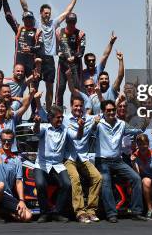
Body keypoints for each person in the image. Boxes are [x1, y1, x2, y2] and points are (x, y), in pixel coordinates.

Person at [16, 0, 79, 110]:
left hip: (49, 59)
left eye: (49, 13)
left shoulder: (54, 23)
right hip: (37, 58)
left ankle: (49, 112)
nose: (48, 15)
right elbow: (25, 8)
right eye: (45, 13)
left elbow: (67, 12)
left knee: (50, 87)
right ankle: (35, 113)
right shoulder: (36, 23)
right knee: (34, 87)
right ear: (40, 13)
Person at [94, 99, 147, 222]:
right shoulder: (98, 123)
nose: (111, 112)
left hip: (118, 161)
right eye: (108, 110)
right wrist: (93, 124)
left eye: (113, 110)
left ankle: (136, 212)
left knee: (136, 178)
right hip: (102, 161)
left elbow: (135, 130)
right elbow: (89, 132)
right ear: (103, 111)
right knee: (106, 181)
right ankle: (111, 214)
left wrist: (144, 123)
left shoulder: (122, 124)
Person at [32, 105, 81, 223]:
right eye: (58, 118)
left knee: (67, 184)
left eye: (62, 117)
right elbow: (36, 131)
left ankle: (57, 212)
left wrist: (81, 127)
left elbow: (78, 137)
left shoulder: (65, 129)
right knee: (40, 184)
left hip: (58, 164)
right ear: (51, 118)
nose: (60, 120)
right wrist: (37, 123)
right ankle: (44, 213)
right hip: (42, 164)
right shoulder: (44, 128)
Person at [0, 126, 32, 223]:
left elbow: (18, 182)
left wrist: (22, 200)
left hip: (6, 195)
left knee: (27, 216)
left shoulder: (16, 160)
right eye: (4, 140)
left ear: (13, 141)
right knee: (0, 186)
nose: (6, 143)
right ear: (0, 140)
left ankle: (3, 212)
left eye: (9, 140)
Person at [63, 95, 101, 223]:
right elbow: (76, 137)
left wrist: (96, 120)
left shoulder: (89, 119)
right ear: (71, 106)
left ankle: (91, 211)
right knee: (75, 178)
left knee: (97, 177)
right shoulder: (64, 119)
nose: (78, 108)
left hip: (84, 158)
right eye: (76, 106)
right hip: (69, 158)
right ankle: (80, 212)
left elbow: (102, 114)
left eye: (80, 106)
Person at [1, 0, 42, 77]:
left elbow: (40, 47)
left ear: (33, 20)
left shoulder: (37, 32)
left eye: (30, 19)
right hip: (19, 61)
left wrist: (31, 49)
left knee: (33, 86)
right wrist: (4, 1)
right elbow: (9, 16)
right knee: (17, 82)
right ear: (23, 20)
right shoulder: (19, 28)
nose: (28, 21)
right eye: (26, 19)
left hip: (31, 62)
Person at [55, 12, 86, 107]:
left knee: (76, 89)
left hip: (75, 64)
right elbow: (55, 47)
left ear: (75, 22)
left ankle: (77, 109)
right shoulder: (59, 31)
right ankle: (58, 110)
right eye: (69, 22)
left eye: (73, 22)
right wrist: (59, 53)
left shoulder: (81, 33)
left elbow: (82, 50)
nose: (71, 24)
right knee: (60, 87)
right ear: (66, 22)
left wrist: (75, 57)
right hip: (63, 63)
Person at [131, 133, 152, 218]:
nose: (142, 146)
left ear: (148, 144)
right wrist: (133, 163)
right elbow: (137, 174)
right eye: (140, 144)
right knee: (146, 181)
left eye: (144, 144)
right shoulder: (135, 155)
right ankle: (149, 209)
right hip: (144, 180)